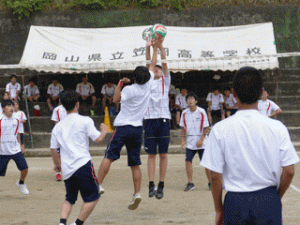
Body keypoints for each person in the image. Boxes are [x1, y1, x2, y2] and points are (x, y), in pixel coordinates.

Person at [200, 67, 299, 225]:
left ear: (233, 93)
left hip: (235, 201)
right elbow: (289, 171)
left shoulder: (220, 129)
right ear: (261, 93)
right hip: (268, 198)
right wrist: (275, 198)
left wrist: (219, 210)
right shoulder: (277, 127)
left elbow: (215, 175)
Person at [97, 39, 159, 211]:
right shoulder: (148, 86)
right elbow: (152, 65)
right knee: (135, 163)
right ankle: (137, 193)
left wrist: (120, 84)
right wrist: (153, 49)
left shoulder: (129, 90)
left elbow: (115, 100)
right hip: (137, 129)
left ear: (134, 77)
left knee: (109, 156)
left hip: (123, 127)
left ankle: (98, 184)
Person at [50, 90, 108, 225]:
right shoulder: (85, 121)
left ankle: (62, 223)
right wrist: (104, 130)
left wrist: (57, 164)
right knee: (93, 197)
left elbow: (53, 149)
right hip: (83, 165)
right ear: (77, 104)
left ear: (62, 106)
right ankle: (77, 223)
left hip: (67, 168)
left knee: (69, 198)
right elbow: (98, 139)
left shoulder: (58, 127)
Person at [144, 35, 171, 199]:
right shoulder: (147, 81)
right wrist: (149, 48)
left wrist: (160, 48)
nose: (157, 70)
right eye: (156, 69)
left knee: (163, 154)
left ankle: (161, 184)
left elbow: (164, 65)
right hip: (149, 120)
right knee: (151, 154)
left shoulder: (165, 82)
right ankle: (151, 184)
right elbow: (149, 64)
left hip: (163, 120)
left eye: (159, 69)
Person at [180, 92, 210, 191]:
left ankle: (211, 182)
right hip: (190, 142)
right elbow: (183, 128)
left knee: (206, 163)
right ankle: (190, 183)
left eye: (192, 99)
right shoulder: (184, 113)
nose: (190, 101)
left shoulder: (201, 111)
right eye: (188, 99)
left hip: (202, 143)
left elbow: (206, 127)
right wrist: (182, 141)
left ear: (196, 101)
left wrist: (201, 140)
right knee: (188, 161)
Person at [0, 99, 29, 195]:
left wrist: (21, 145)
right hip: (2, 151)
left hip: (15, 149)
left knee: (25, 168)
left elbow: (19, 134)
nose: (11, 108)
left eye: (12, 106)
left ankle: (21, 183)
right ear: (3, 109)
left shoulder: (17, 120)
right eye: (8, 106)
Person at [51, 97, 67, 181]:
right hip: (60, 134)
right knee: (58, 154)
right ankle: (58, 173)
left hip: (69, 134)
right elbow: (55, 122)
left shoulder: (71, 108)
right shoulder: (57, 109)